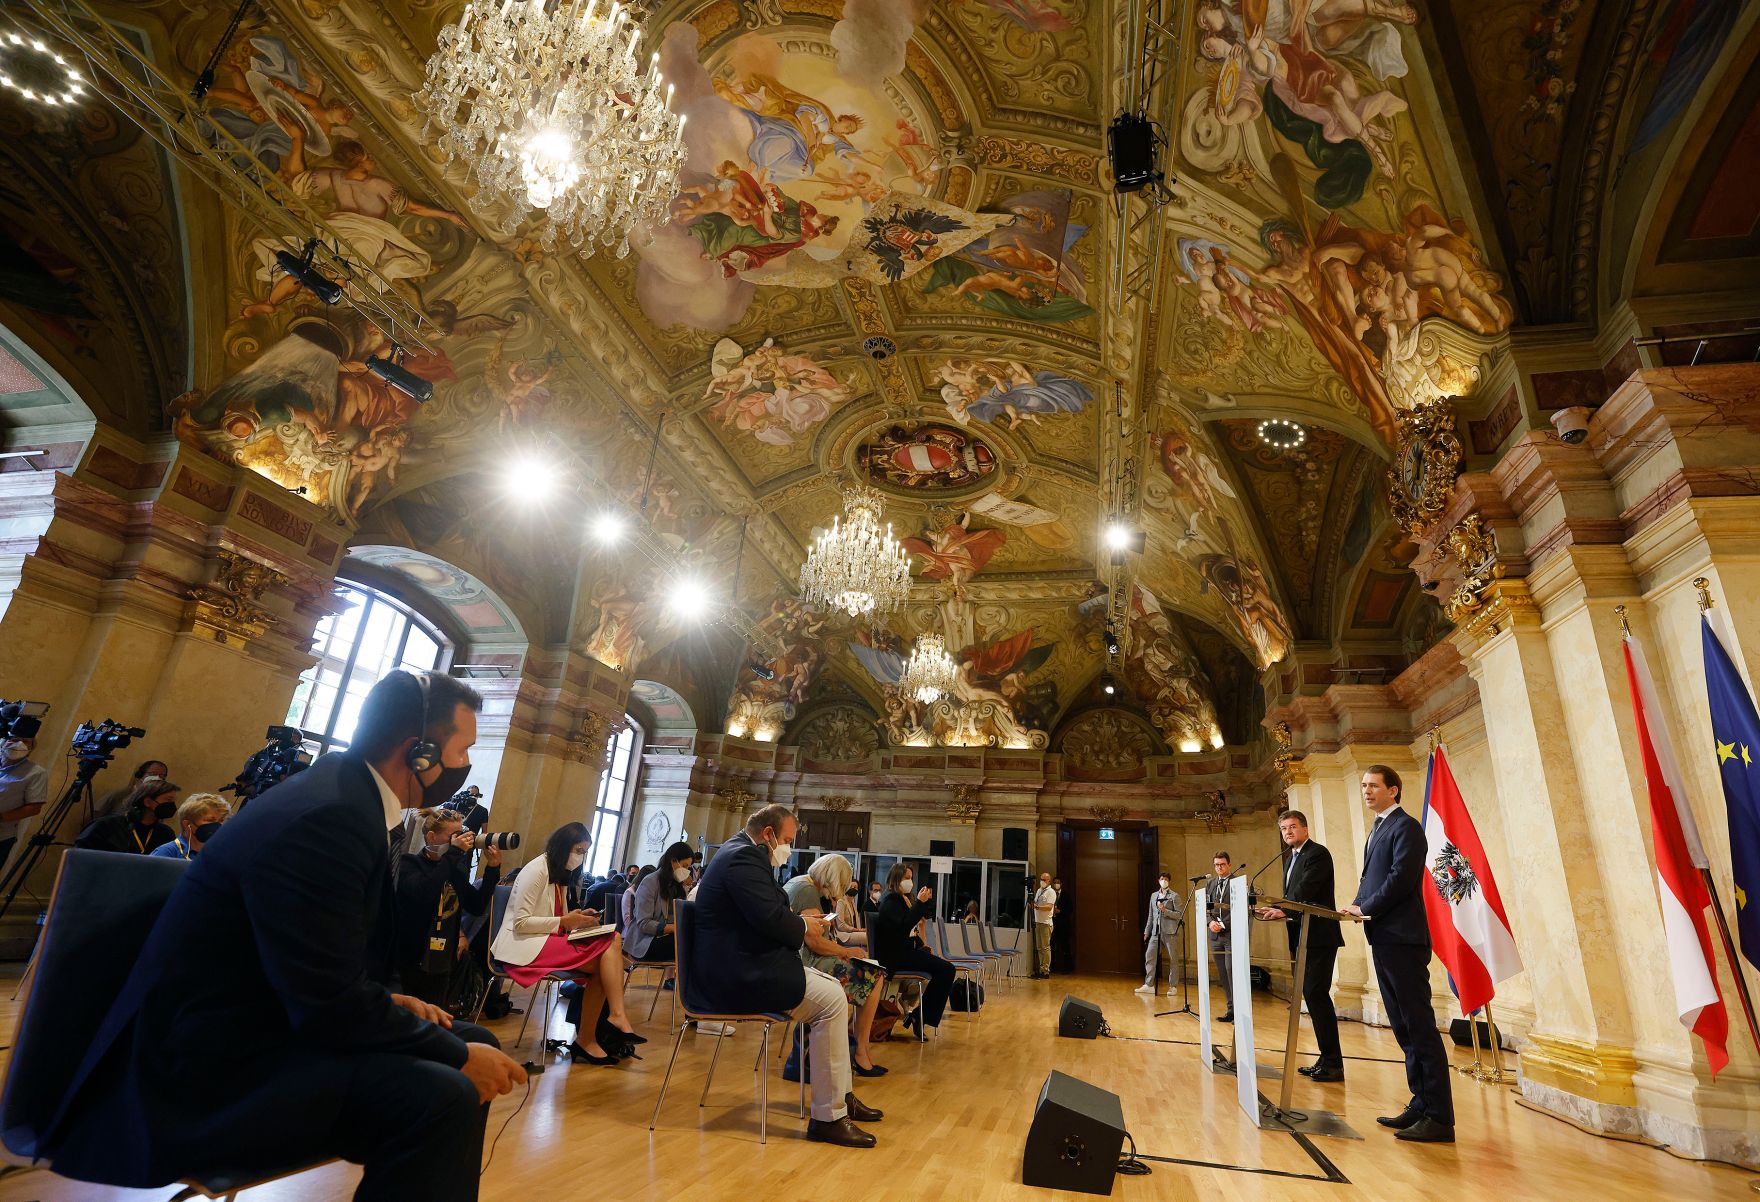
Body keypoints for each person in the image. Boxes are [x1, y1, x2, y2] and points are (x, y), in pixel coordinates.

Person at [43, 669, 525, 1202]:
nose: (465, 767)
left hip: (263, 1022)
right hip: (210, 1069)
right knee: (444, 1092)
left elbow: (308, 962)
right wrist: (449, 1055)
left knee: (474, 1042)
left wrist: (392, 1003)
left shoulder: (344, 797)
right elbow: (325, 1003)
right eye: (463, 751)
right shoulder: (332, 817)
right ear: (419, 754)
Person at [691, 804, 881, 1148]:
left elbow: (772, 913)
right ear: (768, 834)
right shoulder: (742, 858)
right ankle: (829, 1115)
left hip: (745, 964)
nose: (789, 848)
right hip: (737, 974)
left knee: (835, 995)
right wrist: (804, 925)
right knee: (834, 1000)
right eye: (788, 840)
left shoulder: (741, 853)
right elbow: (772, 919)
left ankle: (841, 1097)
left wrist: (798, 924)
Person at [1343, 765, 1454, 1142]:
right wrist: (1358, 903)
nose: (1367, 791)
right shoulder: (1378, 828)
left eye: (1374, 785)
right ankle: (1420, 1103)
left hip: (1404, 939)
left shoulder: (1406, 826)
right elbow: (1371, 879)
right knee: (1404, 1027)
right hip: (1384, 936)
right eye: (1363, 786)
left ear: (1394, 790)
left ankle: (1439, 1117)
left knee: (1420, 1028)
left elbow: (1401, 879)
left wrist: (1366, 906)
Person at [491, 822, 645, 1065]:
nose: (581, 857)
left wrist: (580, 917)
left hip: (546, 939)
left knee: (609, 949)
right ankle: (608, 1021)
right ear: (563, 847)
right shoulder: (536, 870)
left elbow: (556, 916)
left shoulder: (558, 871)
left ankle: (591, 1036)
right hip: (523, 944)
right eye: (579, 851)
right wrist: (566, 920)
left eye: (584, 852)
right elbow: (520, 923)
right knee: (610, 952)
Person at [1256, 811, 1344, 1080]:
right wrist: (1277, 907)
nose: (1288, 833)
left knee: (1316, 994)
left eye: (1292, 827)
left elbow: (1307, 889)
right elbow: (1292, 895)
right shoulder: (1290, 859)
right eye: (1283, 829)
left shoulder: (1317, 853)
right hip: (1301, 934)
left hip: (1318, 935)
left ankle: (1333, 1064)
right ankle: (1326, 1059)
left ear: (1305, 829)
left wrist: (1284, 910)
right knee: (1312, 996)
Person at [783, 853, 887, 1077]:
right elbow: (814, 942)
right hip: (807, 962)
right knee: (875, 976)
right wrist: (846, 952)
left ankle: (856, 1045)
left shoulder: (800, 883)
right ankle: (861, 1050)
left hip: (798, 958)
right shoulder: (808, 890)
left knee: (871, 972)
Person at [395, 807, 501, 1009]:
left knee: (434, 1014)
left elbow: (476, 906)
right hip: (411, 959)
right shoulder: (409, 863)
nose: (460, 840)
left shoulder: (454, 870)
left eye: (461, 834)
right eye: (454, 836)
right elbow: (425, 893)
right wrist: (453, 854)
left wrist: (492, 869)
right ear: (432, 836)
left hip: (443, 960)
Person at [872, 861, 957, 1038]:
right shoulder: (890, 900)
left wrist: (921, 945)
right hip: (895, 956)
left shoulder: (902, 899)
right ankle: (920, 1016)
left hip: (905, 952)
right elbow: (903, 927)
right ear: (896, 879)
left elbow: (910, 929)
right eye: (906, 878)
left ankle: (920, 1016)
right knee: (947, 970)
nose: (910, 882)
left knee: (945, 969)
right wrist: (919, 903)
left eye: (911, 878)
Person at [74, 779, 180, 855]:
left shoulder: (165, 834)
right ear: (148, 802)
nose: (172, 805)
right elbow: (79, 858)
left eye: (173, 801)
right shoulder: (105, 826)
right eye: (168, 800)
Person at [628, 842, 692, 964]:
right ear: (673, 861)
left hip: (665, 937)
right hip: (645, 941)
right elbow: (643, 923)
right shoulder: (650, 882)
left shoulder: (676, 885)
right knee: (689, 943)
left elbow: (681, 916)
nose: (686, 871)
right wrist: (674, 928)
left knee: (695, 939)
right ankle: (679, 981)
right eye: (685, 866)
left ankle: (677, 981)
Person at [0, 733, 48, 870]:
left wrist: (1, 817)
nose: (19, 744)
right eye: (14, 739)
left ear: (31, 748)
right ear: (3, 742)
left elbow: (34, 807)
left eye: (25, 741)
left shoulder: (36, 773)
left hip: (2, 835)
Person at [1137, 869, 1186, 996]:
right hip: (1155, 932)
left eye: (1166, 879)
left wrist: (1165, 911)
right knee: (1150, 956)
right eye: (1161, 879)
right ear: (1158, 880)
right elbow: (1150, 915)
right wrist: (1147, 931)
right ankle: (1149, 985)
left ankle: (1173, 986)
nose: (1163, 881)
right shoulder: (1154, 896)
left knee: (1173, 959)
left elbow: (1179, 915)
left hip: (1170, 932)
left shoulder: (1174, 896)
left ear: (1169, 881)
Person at [148, 793, 231, 861]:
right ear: (187, 824)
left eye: (221, 820)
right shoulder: (166, 853)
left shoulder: (220, 855)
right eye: (210, 820)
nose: (218, 825)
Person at [1206, 851, 1236, 1022]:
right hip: (1215, 936)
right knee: (1223, 974)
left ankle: (1239, 1012)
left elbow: (1240, 909)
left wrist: (1224, 924)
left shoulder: (1237, 882)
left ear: (1229, 865)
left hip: (1230, 934)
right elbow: (1206, 908)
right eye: (1217, 865)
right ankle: (1230, 1010)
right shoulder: (1210, 884)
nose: (1219, 867)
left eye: (1222, 864)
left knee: (1232, 972)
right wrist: (1210, 922)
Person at [95, 758, 169, 819]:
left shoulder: (156, 802)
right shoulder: (120, 795)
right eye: (153, 774)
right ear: (140, 775)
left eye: (162, 776)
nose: (157, 778)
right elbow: (94, 816)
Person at [1031, 871, 1056, 979]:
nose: (1042, 881)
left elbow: (1049, 907)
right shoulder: (1039, 891)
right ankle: (1041, 969)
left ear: (1049, 881)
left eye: (1044, 880)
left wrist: (1037, 907)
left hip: (1046, 923)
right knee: (1039, 947)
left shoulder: (1051, 892)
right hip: (1038, 922)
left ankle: (1046, 971)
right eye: (1041, 879)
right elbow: (1036, 903)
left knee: (1045, 947)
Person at [1050, 876, 1074, 972]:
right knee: (1052, 946)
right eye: (1055, 882)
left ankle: (1067, 967)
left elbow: (1070, 909)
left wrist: (1061, 911)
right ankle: (1052, 967)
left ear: (1061, 884)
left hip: (1063, 924)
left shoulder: (1066, 895)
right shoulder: (1050, 894)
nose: (1056, 884)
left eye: (1058, 882)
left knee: (1065, 946)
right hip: (1052, 923)